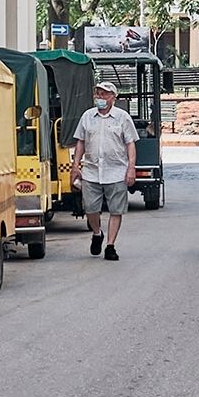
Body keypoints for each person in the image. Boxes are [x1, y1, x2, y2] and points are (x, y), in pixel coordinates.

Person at [70, 75, 138, 261]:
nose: (100, 97)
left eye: (104, 94)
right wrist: (76, 165)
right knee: (91, 208)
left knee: (116, 210)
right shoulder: (87, 117)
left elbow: (130, 144)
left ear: (113, 98)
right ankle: (97, 232)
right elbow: (81, 142)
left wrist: (131, 168)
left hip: (116, 171)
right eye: (98, 93)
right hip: (91, 171)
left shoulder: (122, 118)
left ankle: (110, 245)